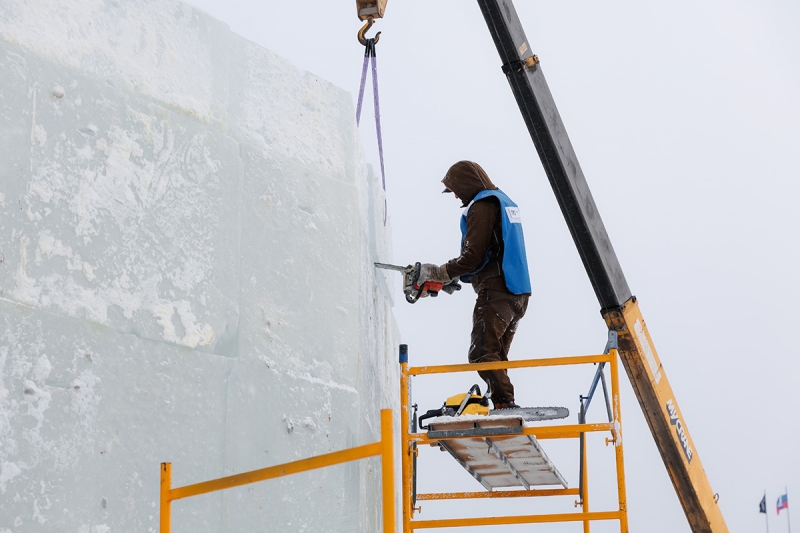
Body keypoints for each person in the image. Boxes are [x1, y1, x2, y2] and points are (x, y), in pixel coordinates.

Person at [418, 161, 531, 409]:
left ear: (468, 183)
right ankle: (504, 402)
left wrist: (442, 272)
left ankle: (505, 405)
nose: (456, 195)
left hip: (498, 291)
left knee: (481, 353)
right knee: (495, 356)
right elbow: (494, 251)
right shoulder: (503, 202)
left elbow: (474, 256)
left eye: (456, 189)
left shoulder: (482, 205)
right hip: (518, 292)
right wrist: (457, 277)